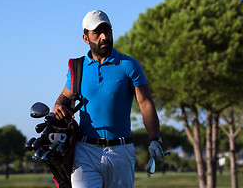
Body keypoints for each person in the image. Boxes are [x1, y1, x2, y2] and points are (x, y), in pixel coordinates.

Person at [53, 10, 164, 188]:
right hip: (85, 150)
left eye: (107, 31)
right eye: (97, 32)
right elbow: (65, 95)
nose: (104, 37)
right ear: (86, 38)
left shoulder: (129, 65)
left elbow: (145, 104)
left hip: (120, 151)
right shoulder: (78, 67)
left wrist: (155, 139)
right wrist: (58, 104)